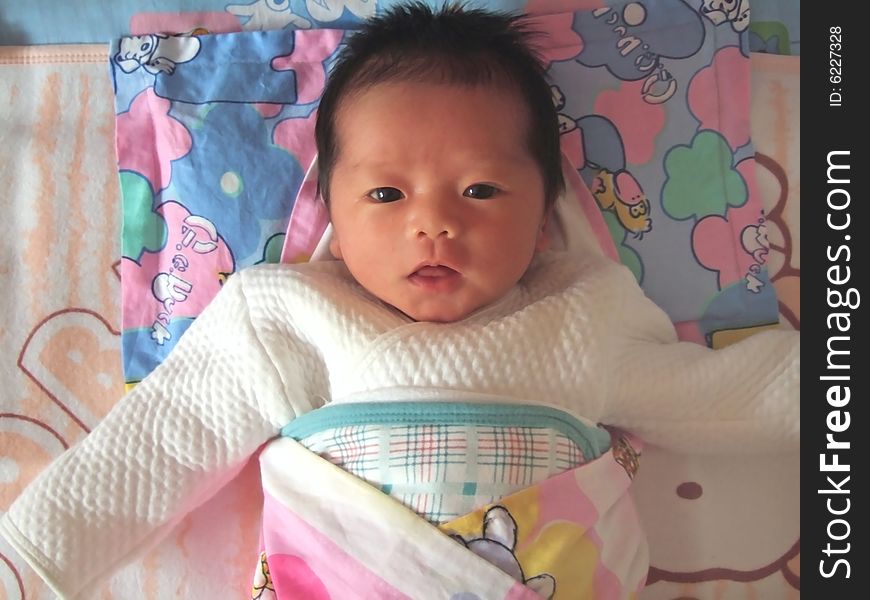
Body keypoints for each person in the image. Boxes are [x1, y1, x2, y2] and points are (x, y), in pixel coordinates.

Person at [0, 3, 799, 599]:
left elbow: (723, 396)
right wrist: (44, 550)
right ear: (334, 219)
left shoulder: (582, 317)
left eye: (481, 189)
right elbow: (167, 438)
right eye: (386, 193)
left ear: (546, 213)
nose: (435, 222)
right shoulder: (291, 315)